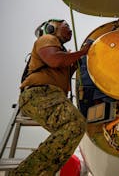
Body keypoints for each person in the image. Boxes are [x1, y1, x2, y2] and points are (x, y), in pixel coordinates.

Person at [10, 19, 91, 175]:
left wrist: (74, 61)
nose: (70, 30)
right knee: (74, 123)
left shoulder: (61, 50)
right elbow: (55, 60)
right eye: (66, 26)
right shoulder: (47, 39)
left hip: (51, 94)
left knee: (70, 132)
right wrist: (83, 52)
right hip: (40, 93)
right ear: (52, 28)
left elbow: (62, 67)